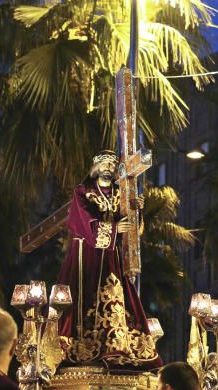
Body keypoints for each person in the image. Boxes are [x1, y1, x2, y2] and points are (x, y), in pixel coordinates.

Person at [57, 149, 161, 369]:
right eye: (103, 164)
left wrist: (136, 210)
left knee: (117, 294)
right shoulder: (83, 191)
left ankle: (116, 346)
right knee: (82, 299)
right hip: (86, 254)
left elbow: (134, 230)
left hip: (112, 256)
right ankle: (82, 348)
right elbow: (83, 222)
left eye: (111, 165)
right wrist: (113, 228)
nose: (107, 168)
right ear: (95, 167)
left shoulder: (120, 192)